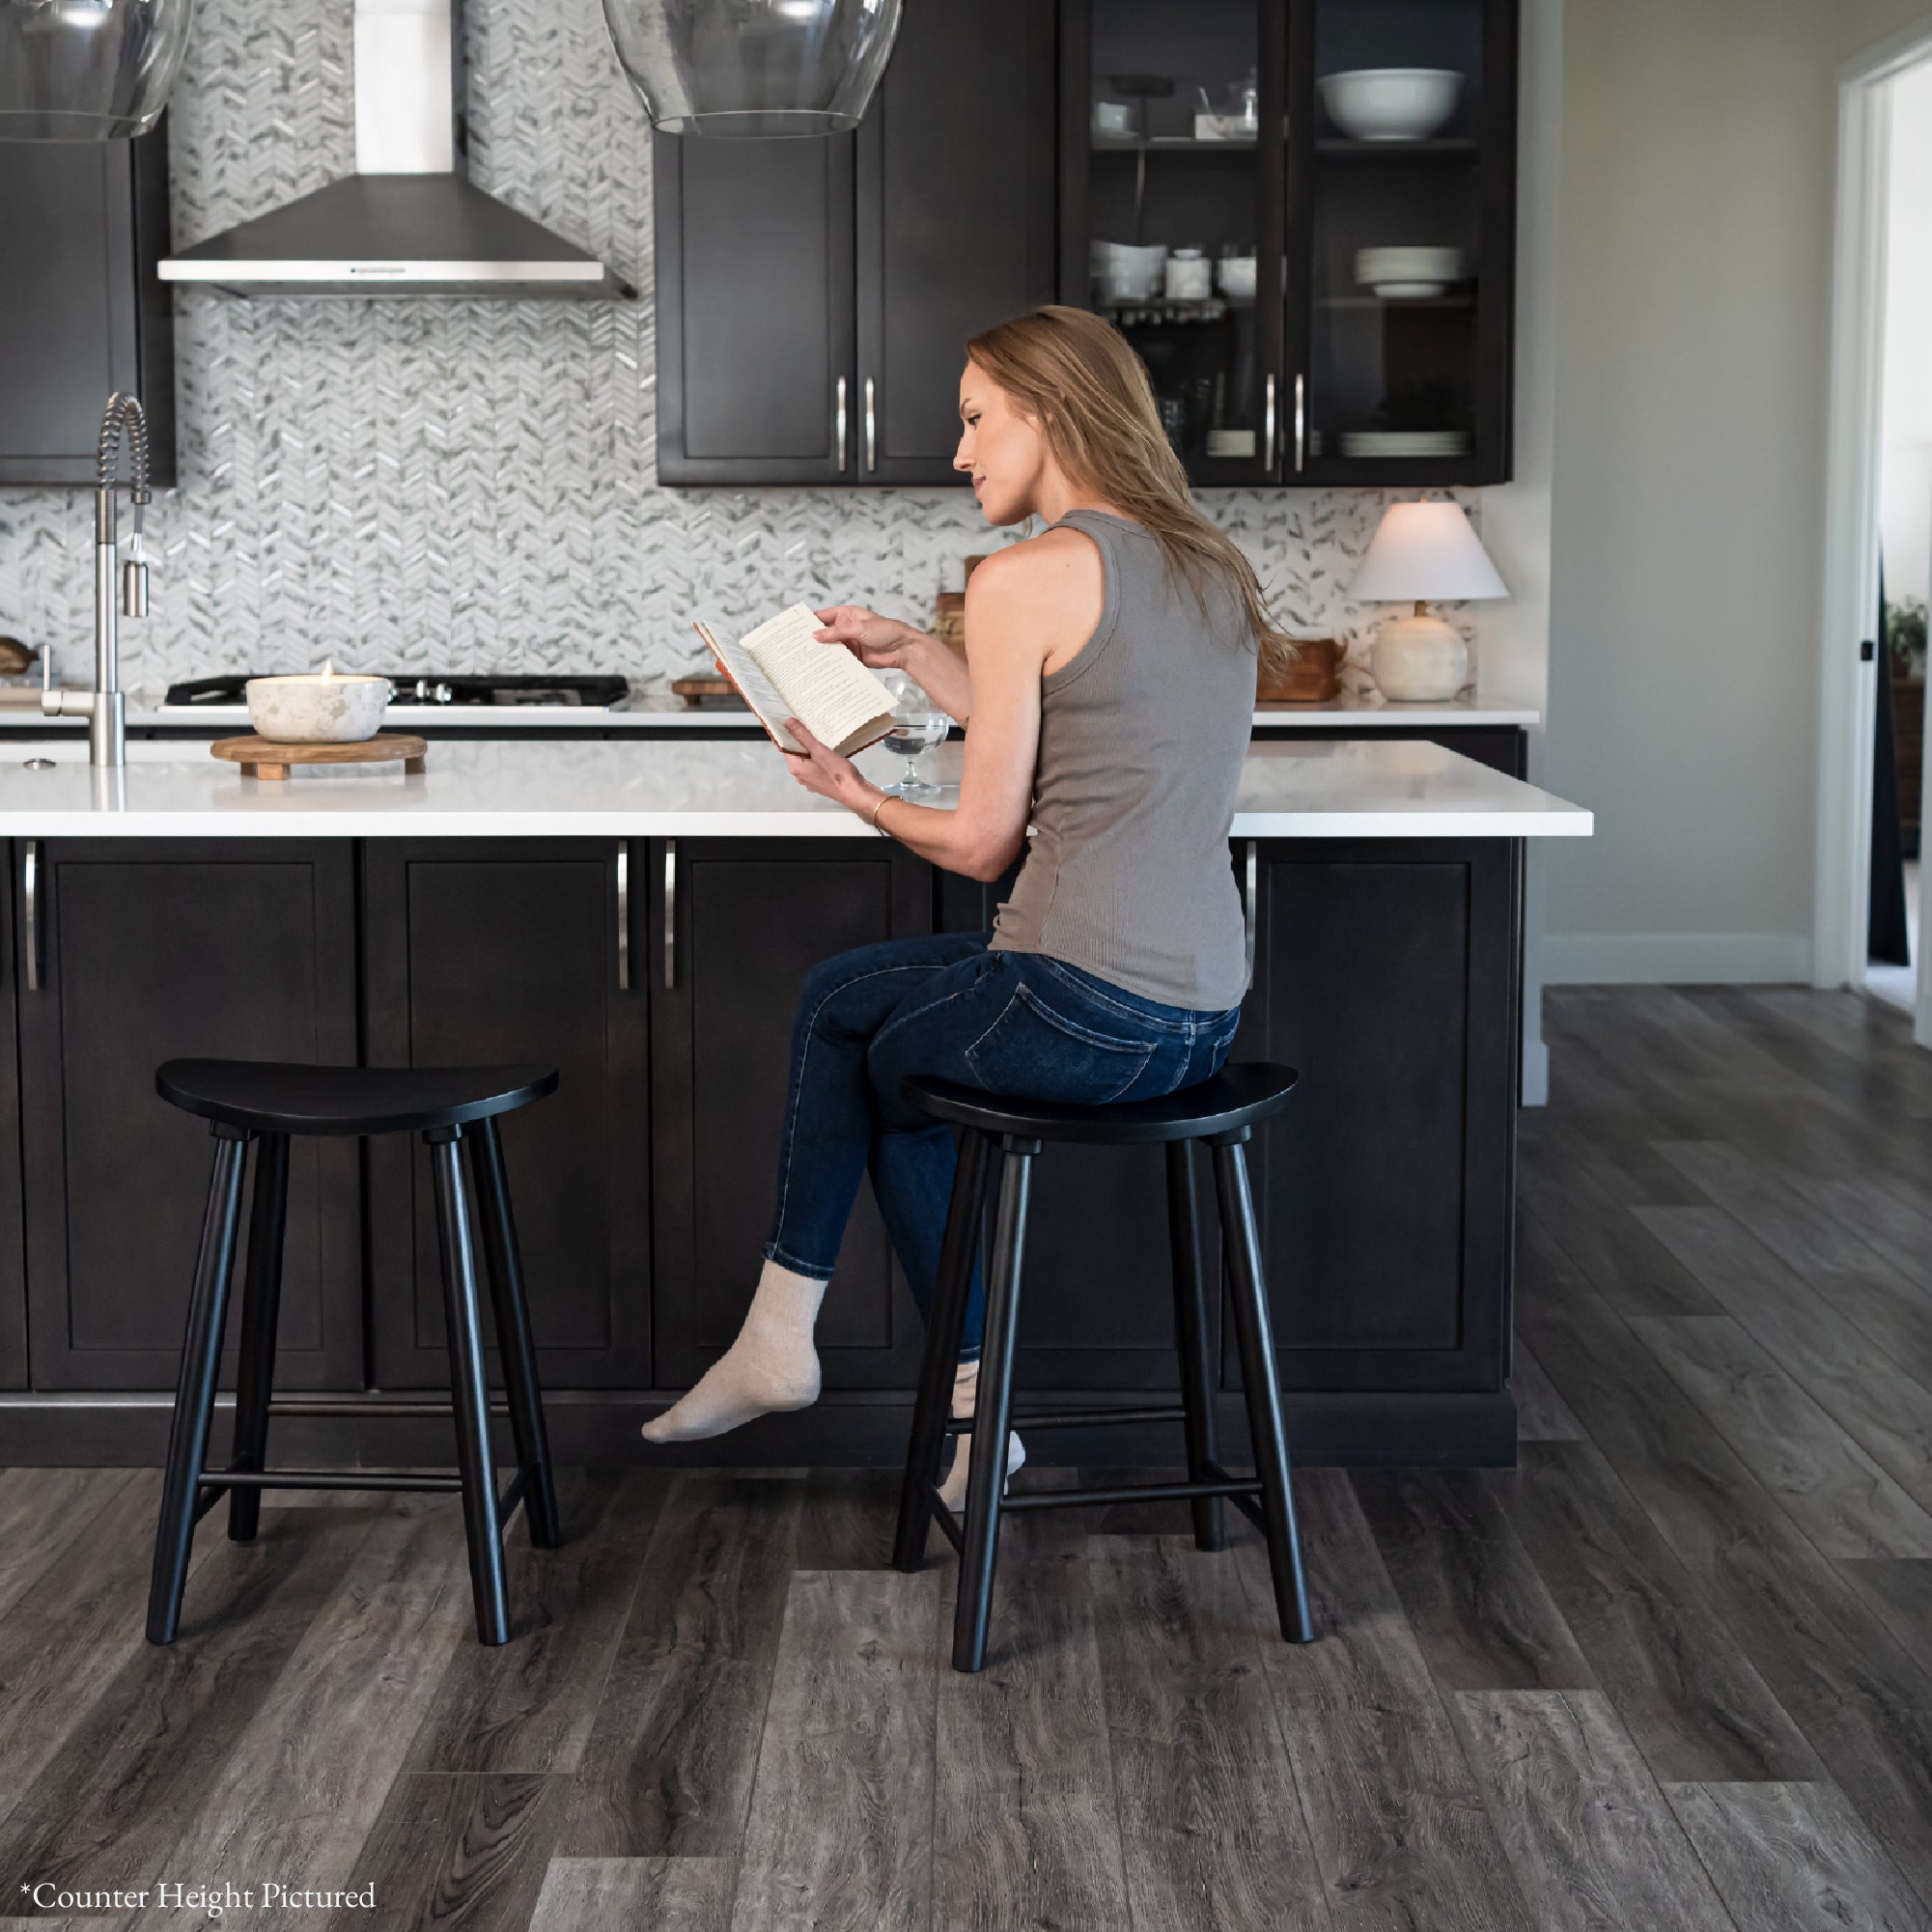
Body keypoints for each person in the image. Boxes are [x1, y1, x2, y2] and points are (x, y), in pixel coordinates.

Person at [642, 305, 1286, 1505]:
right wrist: (909, 650)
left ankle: (822, 1348)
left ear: (1046, 411)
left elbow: (985, 844)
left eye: (976, 418)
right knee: (859, 1013)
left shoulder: (1021, 577)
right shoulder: (1204, 560)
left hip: (1079, 1007)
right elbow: (1069, 714)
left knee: (856, 1039)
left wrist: (856, 793)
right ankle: (902, 1384)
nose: (960, 452)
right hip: (1198, 1016)